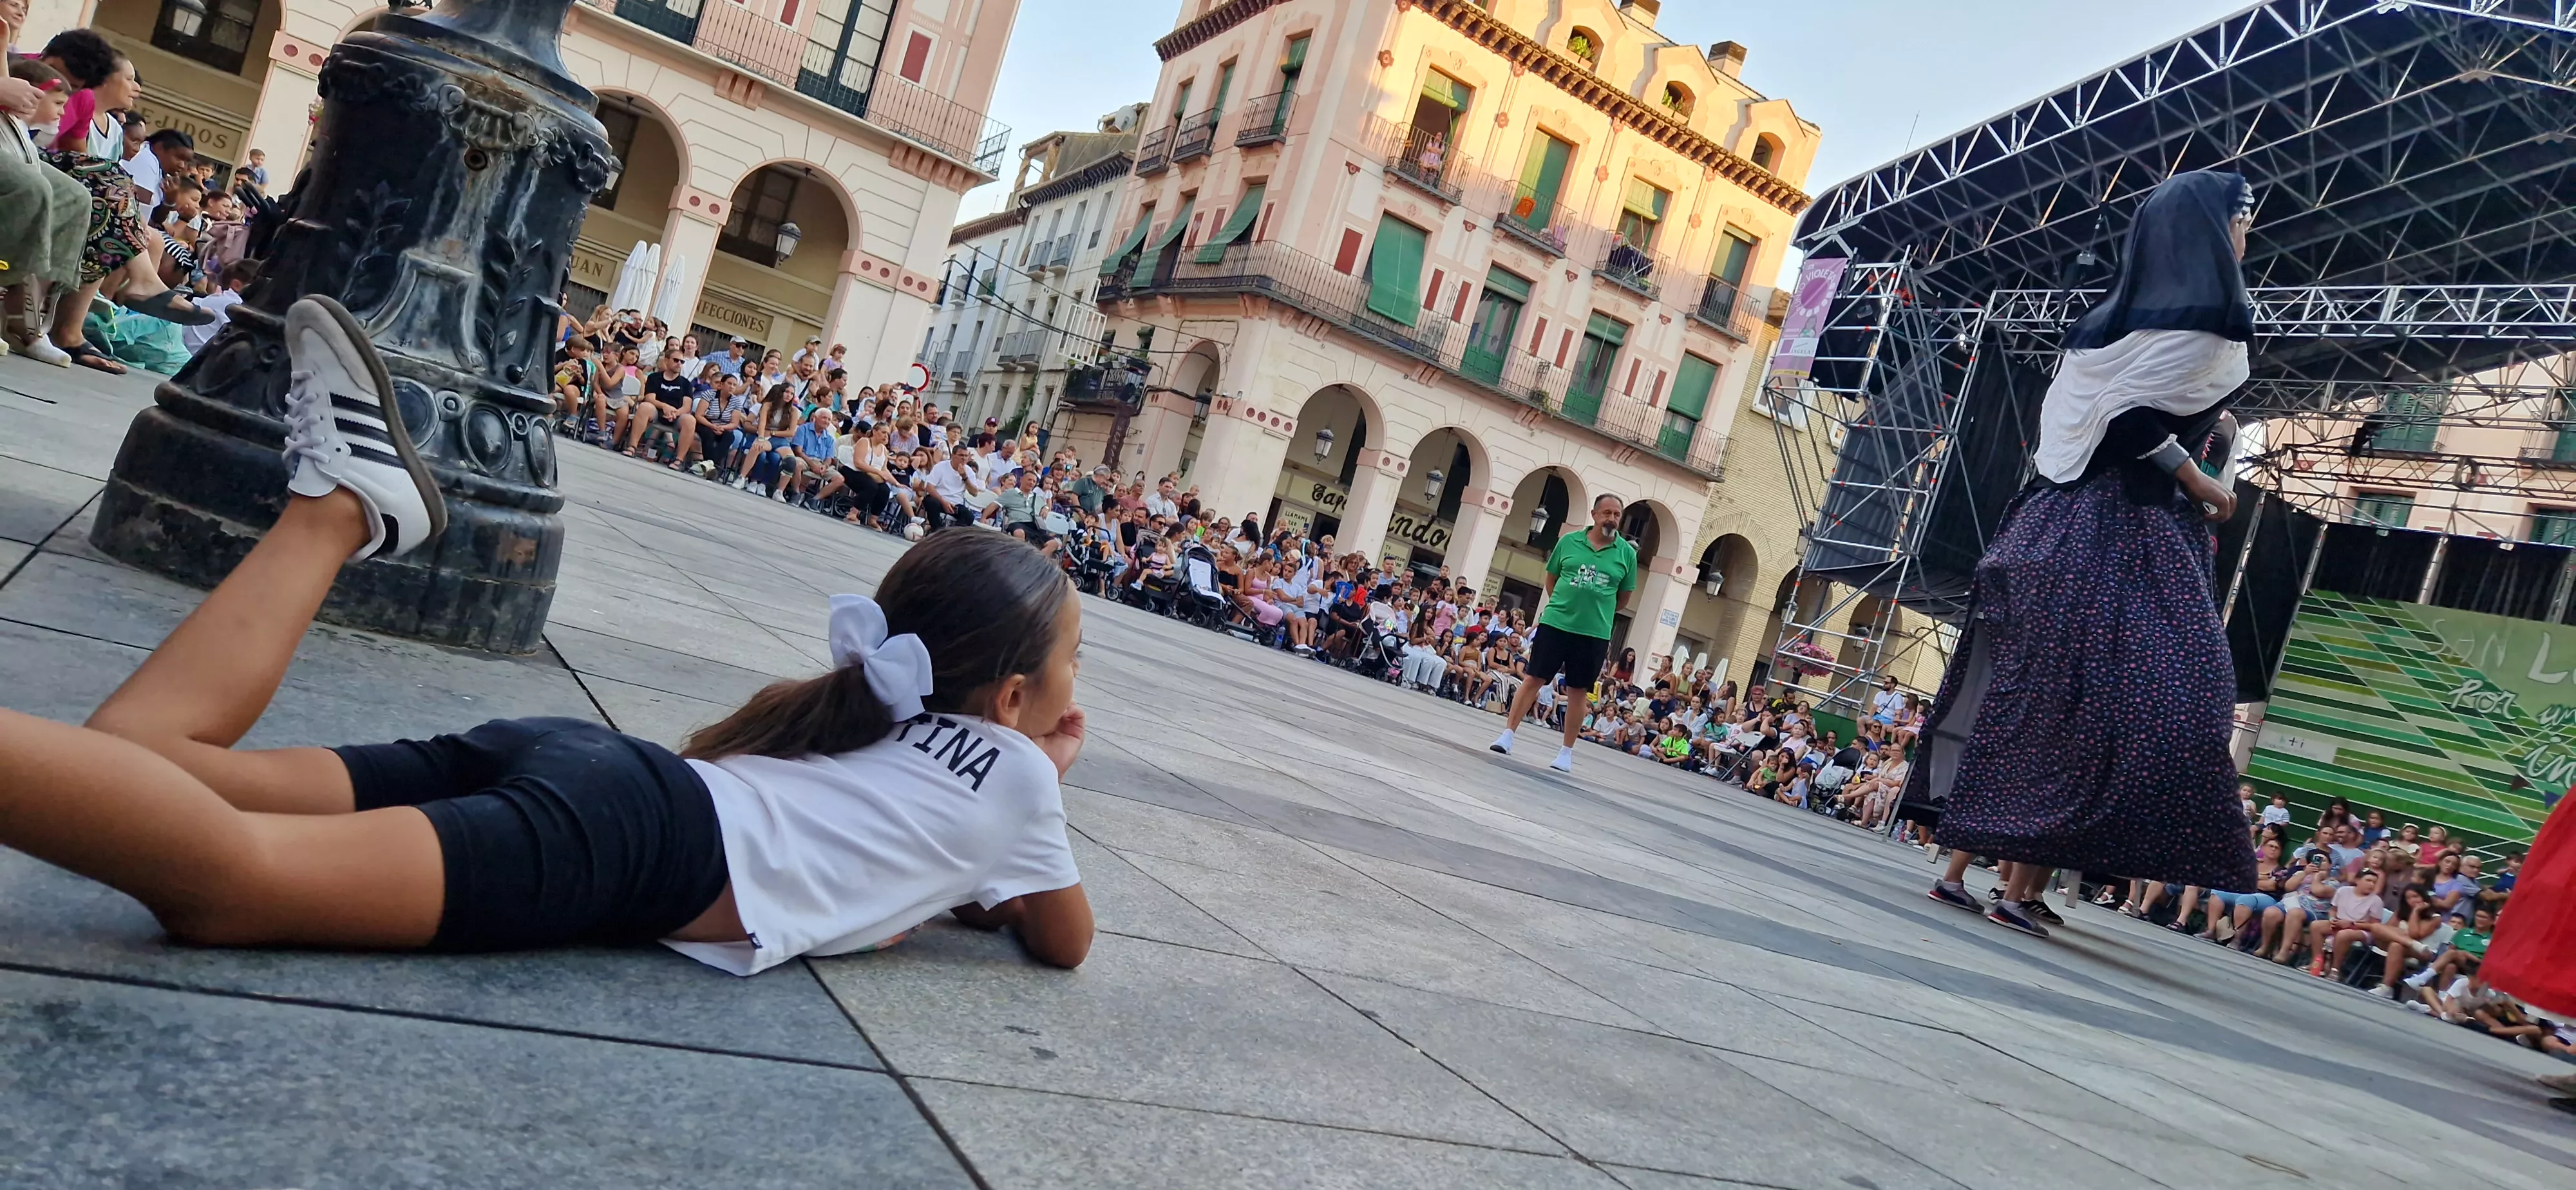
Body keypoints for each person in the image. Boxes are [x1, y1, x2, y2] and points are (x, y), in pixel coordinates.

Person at [0, 295, 1095, 971]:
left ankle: (335, 509)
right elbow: (1065, 941)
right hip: (633, 835)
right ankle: (339, 504)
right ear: (1011, 698)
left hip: (588, 763)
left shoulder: (868, 714)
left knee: (149, 764)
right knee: (235, 885)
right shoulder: (1016, 775)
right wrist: (1042, 775)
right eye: (1073, 663)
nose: (1077, 684)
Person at [1906, 171, 2260, 937]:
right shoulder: (2196, 325)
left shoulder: (2108, 322)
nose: (2245, 234)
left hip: (2053, 525)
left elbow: (2092, 415)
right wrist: (2198, 479)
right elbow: (2127, 420)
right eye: (2240, 220)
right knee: (2136, 705)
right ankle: (2001, 883)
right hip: (2113, 535)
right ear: (2207, 230)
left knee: (2052, 706)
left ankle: (2001, 879)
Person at [1490, 494, 1639, 774]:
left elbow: (1623, 599)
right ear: (1594, 514)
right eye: (1607, 513)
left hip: (1594, 633)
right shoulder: (1569, 542)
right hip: (1556, 624)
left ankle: (1566, 752)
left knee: (1578, 691)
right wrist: (1566, 604)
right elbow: (1552, 579)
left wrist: (1596, 610)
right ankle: (1507, 735)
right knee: (1534, 678)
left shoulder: (1627, 554)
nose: (1612, 519)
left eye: (1617, 514)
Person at [182, 257, 258, 355]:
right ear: (237, 285)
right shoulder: (233, 304)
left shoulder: (216, 299)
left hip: (188, 349)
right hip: (196, 356)